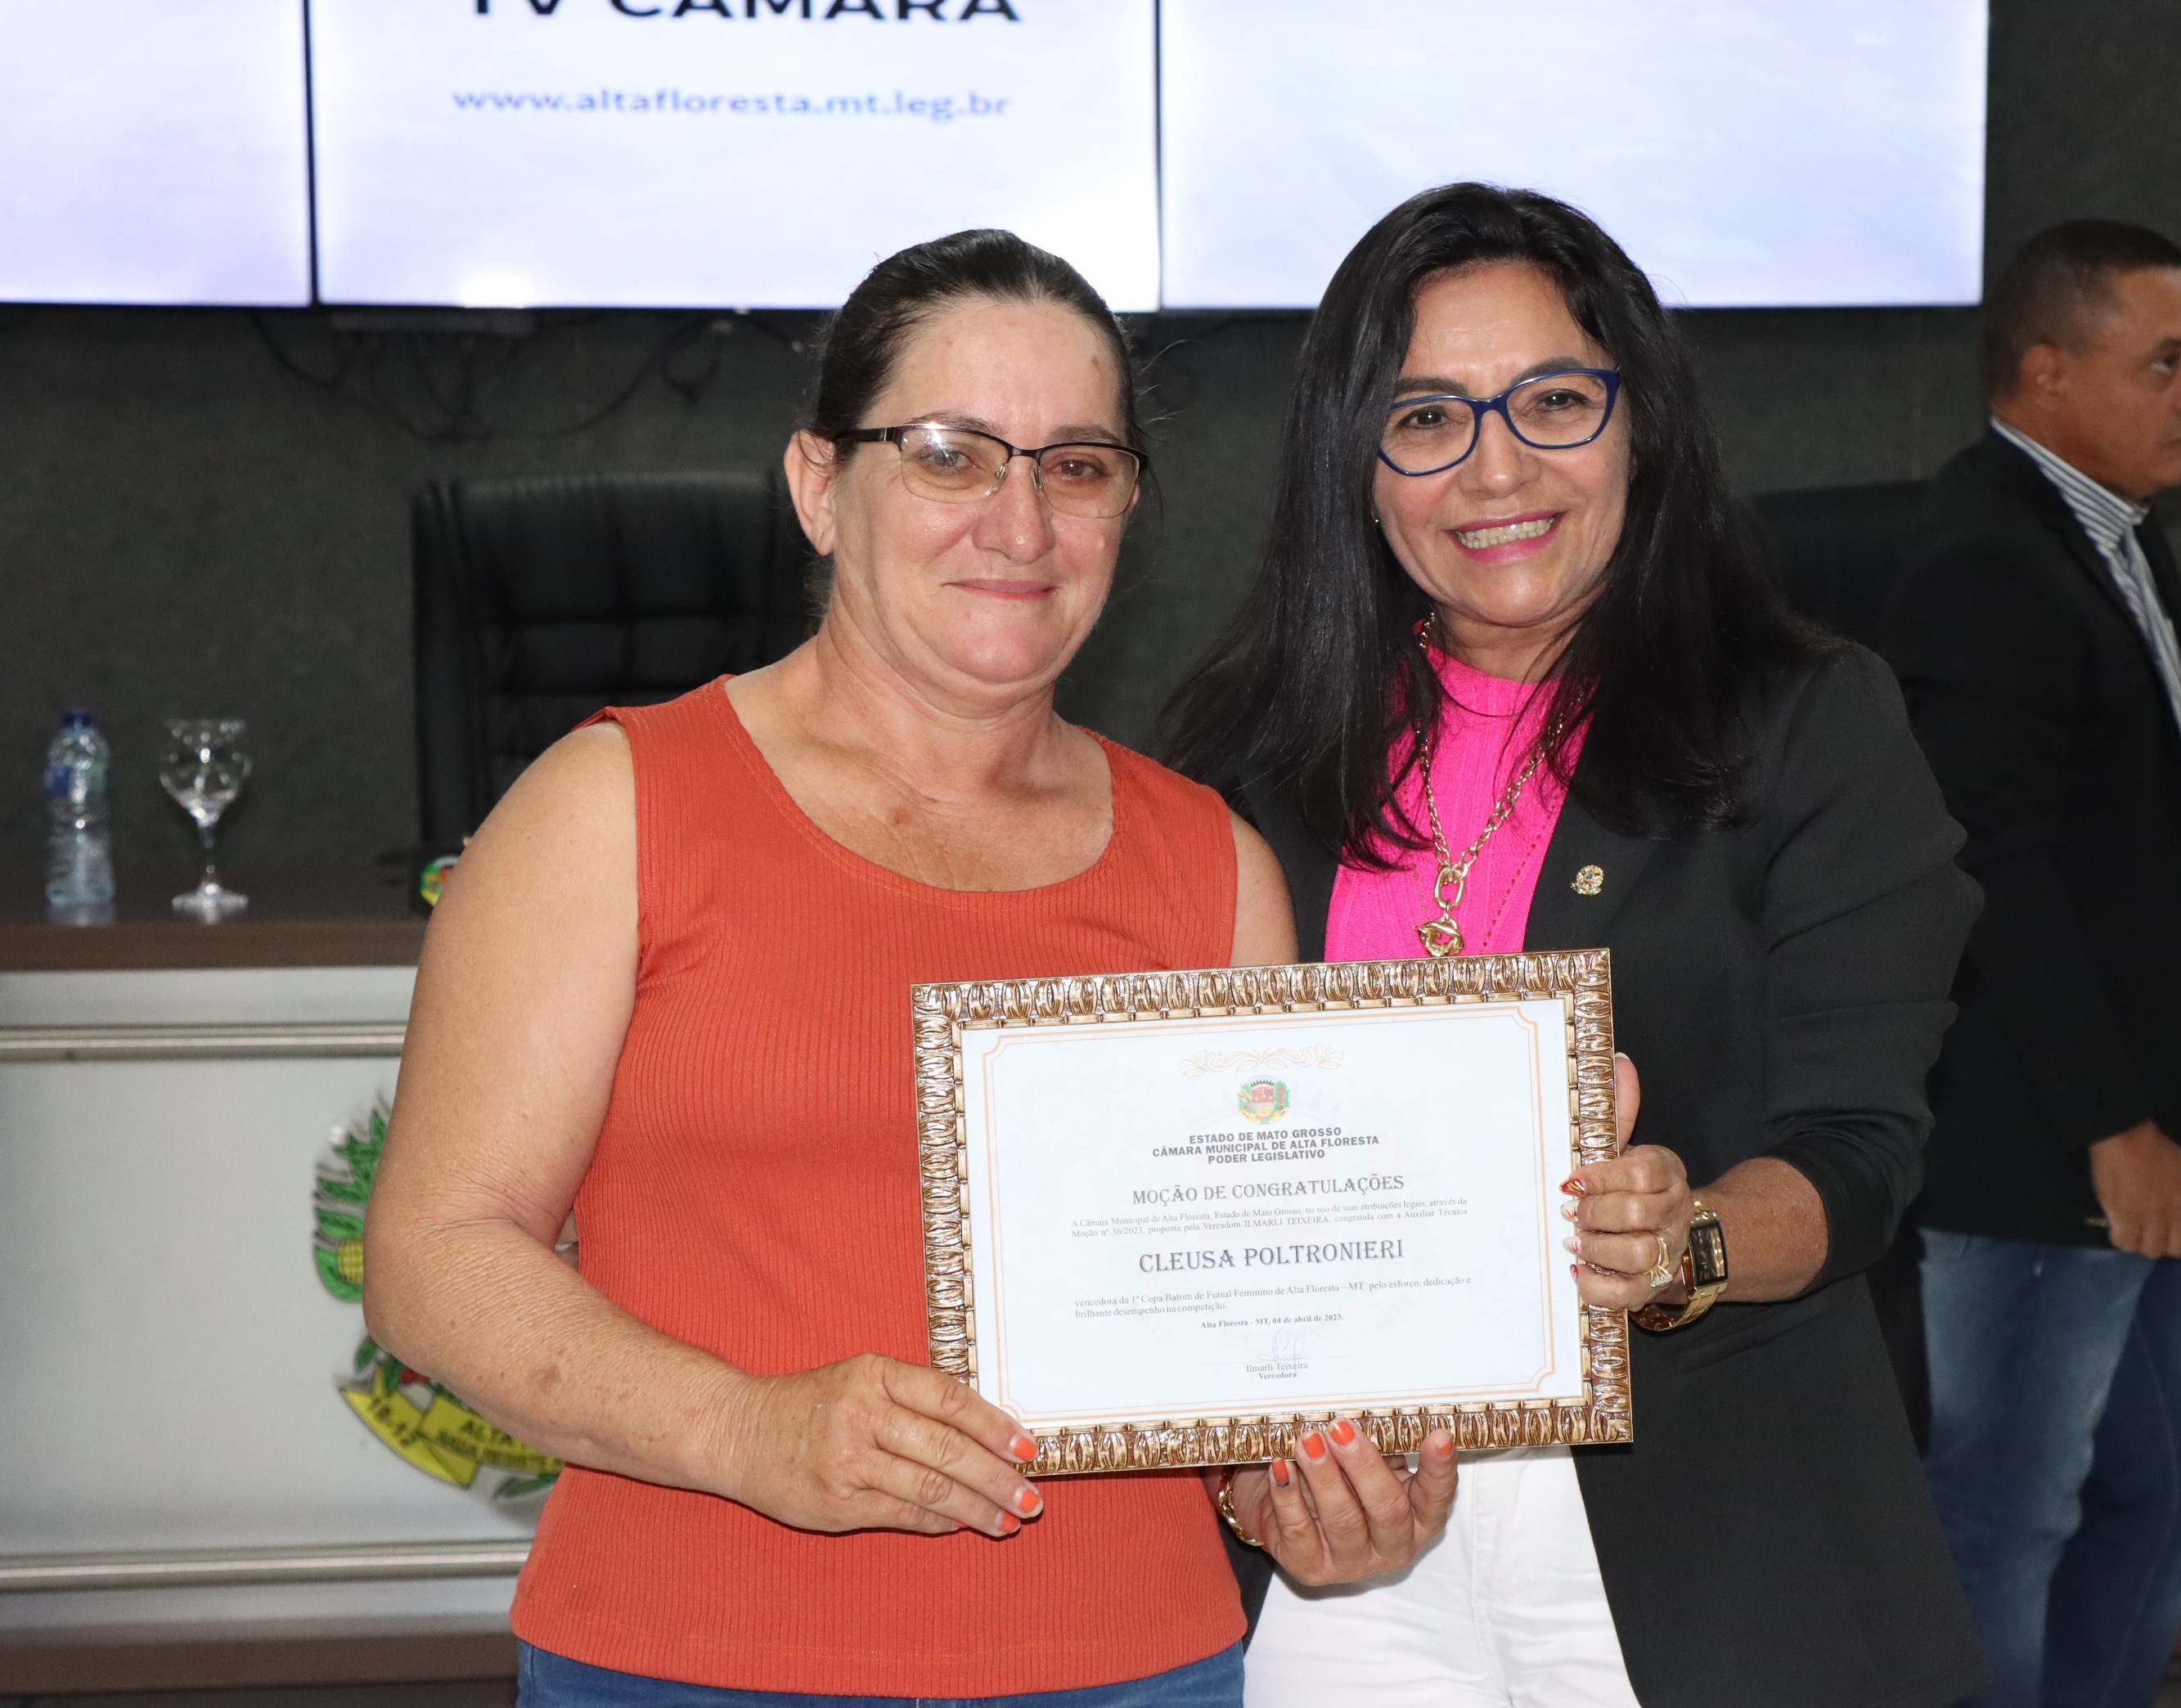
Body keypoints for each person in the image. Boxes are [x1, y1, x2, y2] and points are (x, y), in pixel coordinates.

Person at [362, 228, 1459, 1708]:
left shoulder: (1211, 866)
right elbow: (436, 1261)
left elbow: (1232, 1345)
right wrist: (748, 1433)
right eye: (949, 453)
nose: (1019, 520)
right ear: (822, 485)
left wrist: (1296, 1493)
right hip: (692, 1660)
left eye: (1077, 465)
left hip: (1132, 1665)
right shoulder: (612, 805)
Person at [1162, 182, 1989, 1708]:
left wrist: (1686, 1248)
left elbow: (1860, 1153)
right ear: (1357, 464)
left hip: (1703, 1518)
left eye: (1553, 399)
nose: (1498, 469)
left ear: (1641, 422)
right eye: (1425, 419)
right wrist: (1233, 1469)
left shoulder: (1808, 722)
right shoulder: (1244, 757)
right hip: (1339, 1533)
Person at [1872, 220, 2181, 1708]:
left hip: (2129, 1131)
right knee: (2008, 1511)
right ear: (2047, 373)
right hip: (2047, 1145)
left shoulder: (2107, 529)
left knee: (2176, 1489)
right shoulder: (1982, 562)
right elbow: (1993, 875)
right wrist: (2114, 1125)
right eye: (2166, 362)